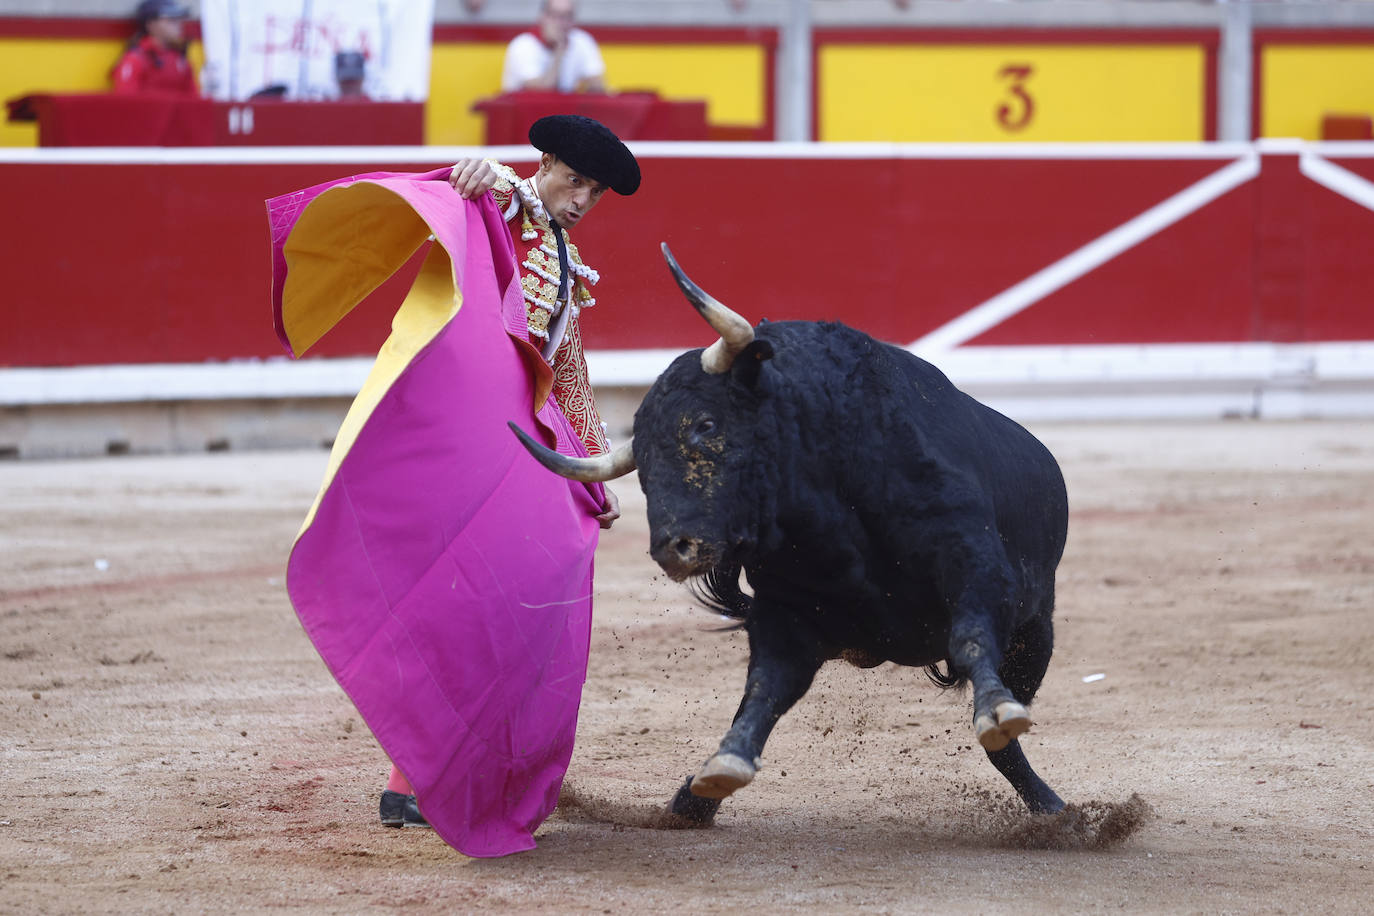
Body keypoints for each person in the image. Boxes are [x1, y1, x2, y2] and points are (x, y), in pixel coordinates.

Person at [370, 116, 639, 831]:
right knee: (475, 605)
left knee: (515, 603)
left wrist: (592, 466)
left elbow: (568, 372)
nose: (582, 199)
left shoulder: (561, 250)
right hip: (469, 443)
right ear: (543, 162)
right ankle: (413, 778)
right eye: (574, 180)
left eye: (596, 192)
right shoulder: (503, 204)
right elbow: (466, 199)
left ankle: (431, 775)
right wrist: (480, 174)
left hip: (516, 449)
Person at [501, 0, 606, 93]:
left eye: (567, 16)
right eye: (555, 15)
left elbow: (598, 86)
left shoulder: (582, 40)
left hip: (565, 111)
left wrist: (591, 84)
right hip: (523, 113)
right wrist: (559, 50)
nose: (561, 23)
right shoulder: (523, 45)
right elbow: (542, 94)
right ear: (542, 17)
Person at [111, 0, 198, 95]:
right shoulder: (136, 59)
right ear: (150, 24)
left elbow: (193, 99)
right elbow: (127, 101)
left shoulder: (180, 60)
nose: (178, 25)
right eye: (171, 20)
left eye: (179, 19)